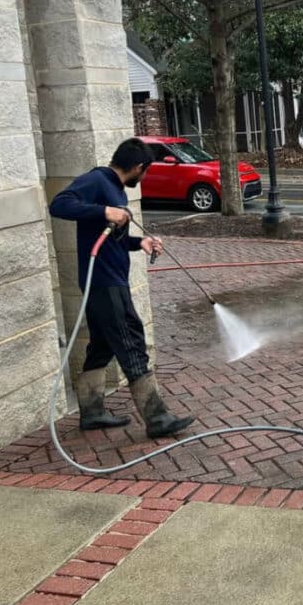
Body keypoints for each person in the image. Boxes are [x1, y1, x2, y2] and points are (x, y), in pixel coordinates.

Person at [50, 138, 194, 438]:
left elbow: (108, 239)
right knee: (130, 340)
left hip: (109, 278)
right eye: (146, 173)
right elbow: (59, 204)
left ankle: (91, 412)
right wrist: (106, 212)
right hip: (104, 283)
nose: (143, 179)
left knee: (102, 346)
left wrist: (137, 242)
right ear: (138, 168)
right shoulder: (97, 180)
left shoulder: (113, 188)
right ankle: (157, 418)